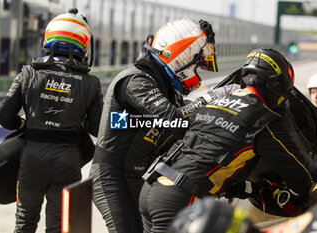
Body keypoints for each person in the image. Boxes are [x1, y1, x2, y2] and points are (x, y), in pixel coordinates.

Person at [139, 47, 317, 233]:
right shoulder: (263, 119)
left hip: (153, 185)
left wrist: (249, 188)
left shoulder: (214, 104)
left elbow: (208, 153)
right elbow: (301, 177)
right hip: (181, 198)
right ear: (276, 85)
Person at [89, 18, 240, 233]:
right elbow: (173, 118)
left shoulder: (167, 90)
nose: (197, 73)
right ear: (181, 56)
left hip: (137, 173)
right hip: (111, 175)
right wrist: (208, 98)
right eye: (197, 64)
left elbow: (189, 122)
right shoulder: (136, 80)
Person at [0, 8, 103, 233]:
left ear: (48, 39)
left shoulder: (27, 73)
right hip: (68, 160)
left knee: (25, 222)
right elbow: (96, 128)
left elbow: (4, 117)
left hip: (32, 158)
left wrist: (25, 124)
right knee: (58, 226)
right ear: (83, 44)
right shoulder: (91, 83)